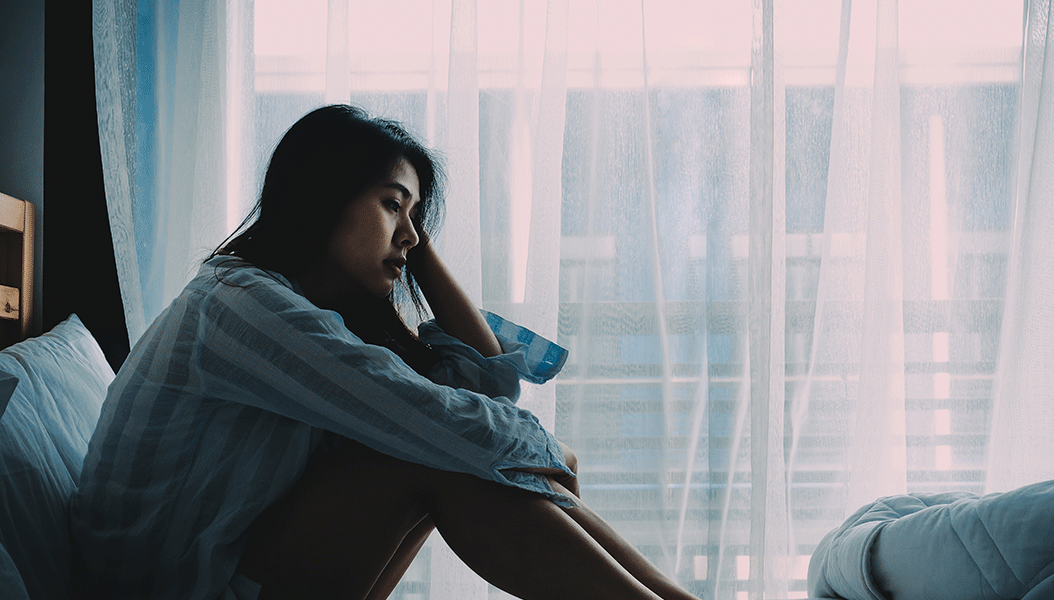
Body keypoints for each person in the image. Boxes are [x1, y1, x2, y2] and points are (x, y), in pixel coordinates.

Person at [70, 105, 701, 600]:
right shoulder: (240, 308)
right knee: (432, 453)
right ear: (321, 199)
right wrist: (543, 454)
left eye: (417, 217)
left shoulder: (309, 312)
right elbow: (450, 427)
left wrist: (413, 244)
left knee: (442, 446)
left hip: (228, 575)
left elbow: (484, 387)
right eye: (392, 205)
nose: (409, 234)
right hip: (170, 592)